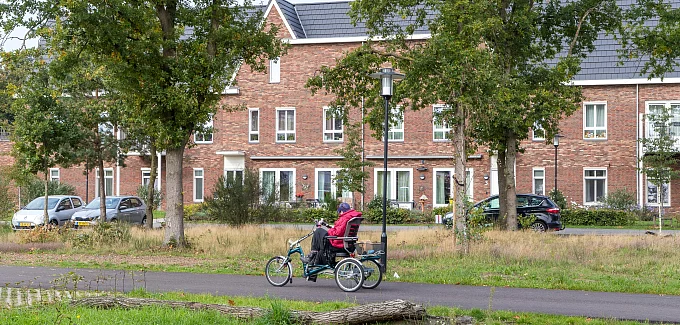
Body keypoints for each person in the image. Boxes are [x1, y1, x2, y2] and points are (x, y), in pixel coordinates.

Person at [300, 202, 362, 281]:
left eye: (339, 212)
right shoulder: (351, 217)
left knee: (318, 232)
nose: (339, 214)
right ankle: (312, 272)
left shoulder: (345, 218)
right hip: (348, 243)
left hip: (339, 244)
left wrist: (328, 231)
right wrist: (330, 228)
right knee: (320, 246)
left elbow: (337, 233)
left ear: (341, 211)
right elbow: (340, 230)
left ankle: (311, 256)